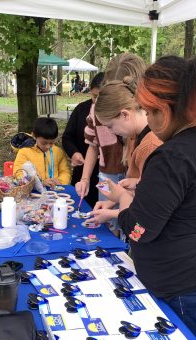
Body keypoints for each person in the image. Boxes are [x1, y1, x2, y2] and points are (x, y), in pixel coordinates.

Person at [102, 52, 196, 340]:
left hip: (195, 285)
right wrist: (145, 186)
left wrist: (126, 200)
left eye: (150, 111)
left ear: (166, 111)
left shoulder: (173, 157)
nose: (149, 119)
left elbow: (139, 230)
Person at [88, 77, 163, 225]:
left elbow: (151, 204)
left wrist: (112, 212)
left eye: (110, 126)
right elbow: (143, 186)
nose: (112, 132)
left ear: (125, 115)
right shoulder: (136, 137)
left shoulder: (149, 146)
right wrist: (113, 201)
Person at [75, 53, 146, 202]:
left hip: (135, 178)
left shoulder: (148, 122)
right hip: (106, 174)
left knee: (125, 218)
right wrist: (85, 179)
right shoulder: (99, 109)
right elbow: (93, 146)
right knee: (106, 218)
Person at [61, 72, 104, 207]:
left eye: (101, 98)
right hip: (82, 172)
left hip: (104, 176)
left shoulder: (115, 117)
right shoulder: (81, 110)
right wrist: (74, 153)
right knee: (79, 207)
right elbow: (67, 137)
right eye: (94, 96)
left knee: (100, 211)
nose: (96, 102)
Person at [13, 117, 71, 188]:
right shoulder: (24, 152)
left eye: (52, 143)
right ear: (34, 136)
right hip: (33, 192)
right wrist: (41, 182)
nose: (48, 146)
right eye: (44, 143)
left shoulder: (58, 152)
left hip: (56, 190)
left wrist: (60, 181)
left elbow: (65, 171)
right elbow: (19, 173)